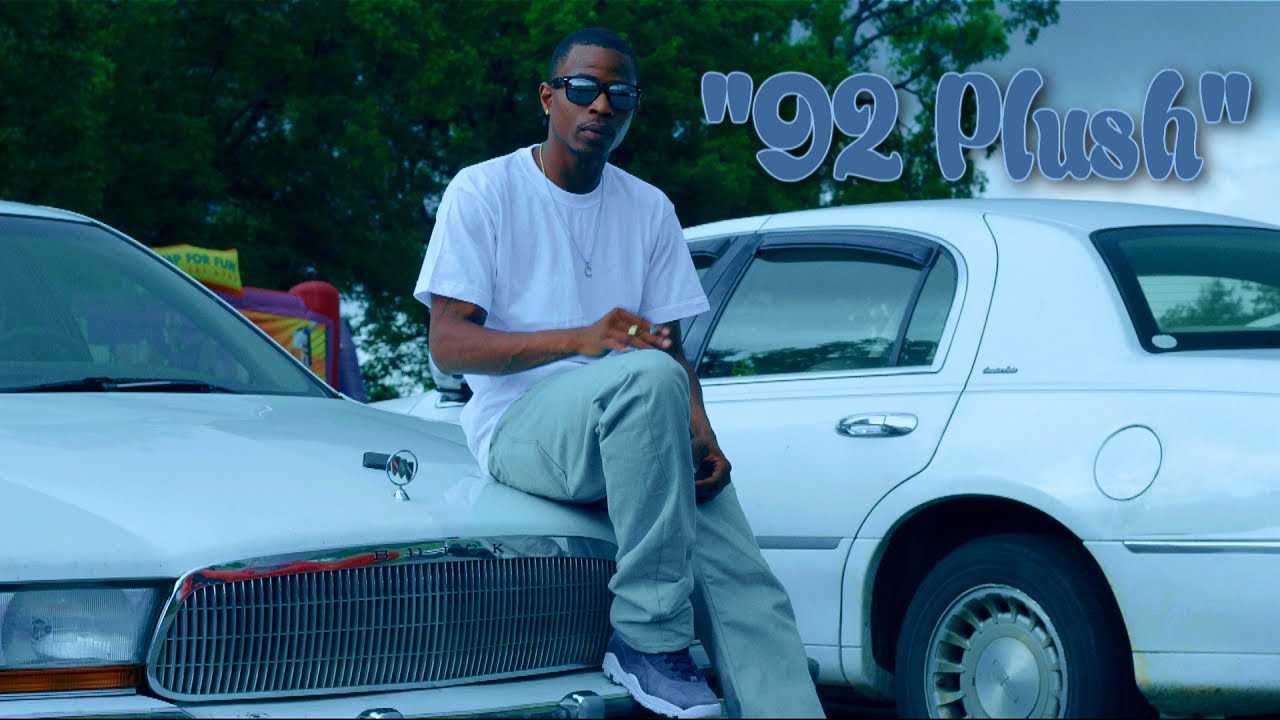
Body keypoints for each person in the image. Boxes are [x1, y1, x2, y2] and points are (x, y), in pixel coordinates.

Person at [414, 26, 825, 719]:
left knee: (748, 586)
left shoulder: (649, 208)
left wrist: (705, 434)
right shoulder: (483, 190)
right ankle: (647, 638)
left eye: (620, 95)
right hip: (523, 426)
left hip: (641, 419)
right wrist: (581, 339)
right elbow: (448, 344)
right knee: (646, 379)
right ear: (548, 97)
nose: (601, 105)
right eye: (583, 89)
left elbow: (670, 350)